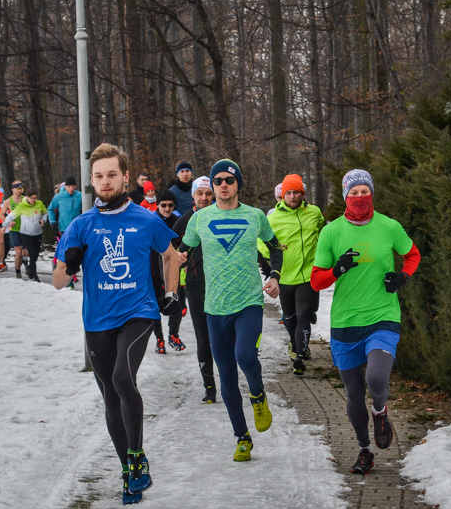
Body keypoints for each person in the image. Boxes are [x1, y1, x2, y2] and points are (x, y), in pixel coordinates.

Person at [53, 143, 180, 505]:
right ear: (91, 181)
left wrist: (170, 294)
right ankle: (128, 471)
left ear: (125, 177)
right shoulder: (81, 225)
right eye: (98, 176)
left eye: (112, 175)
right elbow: (59, 282)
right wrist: (70, 262)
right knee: (110, 394)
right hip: (97, 320)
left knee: (123, 379)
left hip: (138, 312)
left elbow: (171, 255)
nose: (105, 182)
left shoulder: (145, 218)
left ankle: (138, 458)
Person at [311, 169, 421, 475]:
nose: (360, 197)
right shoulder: (331, 232)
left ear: (372, 192)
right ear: (346, 196)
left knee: (375, 378)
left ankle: (381, 410)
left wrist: (403, 277)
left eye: (365, 191)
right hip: (346, 322)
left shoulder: (389, 226)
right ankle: (364, 449)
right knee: (354, 393)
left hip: (382, 317)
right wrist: (337, 269)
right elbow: (316, 281)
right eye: (354, 192)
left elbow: (413, 255)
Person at [178, 159, 283, 462]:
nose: (223, 184)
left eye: (229, 179)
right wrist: (178, 259)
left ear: (238, 184)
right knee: (225, 376)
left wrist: (274, 276)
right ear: (211, 186)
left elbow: (275, 247)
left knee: (245, 356)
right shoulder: (200, 220)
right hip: (215, 308)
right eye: (218, 180)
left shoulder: (255, 216)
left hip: (249, 302)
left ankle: (258, 394)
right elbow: (180, 250)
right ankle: (242, 437)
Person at [267, 174, 325, 375]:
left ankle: (300, 356)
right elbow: (260, 241)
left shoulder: (314, 213)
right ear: (282, 196)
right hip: (285, 275)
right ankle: (295, 342)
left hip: (308, 274)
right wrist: (272, 250)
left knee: (303, 315)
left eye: (296, 192)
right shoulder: (273, 217)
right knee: (290, 317)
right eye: (288, 193)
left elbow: (322, 233)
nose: (292, 197)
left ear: (303, 194)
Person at [173, 176, 218, 402]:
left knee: (223, 337)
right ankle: (209, 386)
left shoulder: (222, 218)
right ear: (193, 195)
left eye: (208, 193)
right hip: (196, 286)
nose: (204, 198)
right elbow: (170, 251)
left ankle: (229, 380)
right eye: (199, 193)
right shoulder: (185, 221)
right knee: (203, 338)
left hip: (222, 285)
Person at [149, 189, 185, 353]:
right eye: (163, 205)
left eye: (171, 205)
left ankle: (173, 334)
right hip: (154, 271)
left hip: (173, 271)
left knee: (176, 304)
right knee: (155, 306)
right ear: (158, 205)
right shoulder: (151, 221)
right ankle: (159, 339)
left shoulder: (178, 221)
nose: (167, 208)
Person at [2, 186, 47, 281]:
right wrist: (4, 225)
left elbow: (45, 213)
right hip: (25, 234)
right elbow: (10, 216)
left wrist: (43, 220)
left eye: (35, 198)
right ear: (27, 197)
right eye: (31, 198)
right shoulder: (21, 206)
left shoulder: (39, 204)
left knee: (36, 254)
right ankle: (34, 275)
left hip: (38, 233)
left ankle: (30, 268)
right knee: (32, 253)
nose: (34, 200)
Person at [0, 180, 26, 278]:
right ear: (12, 190)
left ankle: (26, 263)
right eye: (18, 188)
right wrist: (8, 222)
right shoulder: (8, 201)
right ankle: (18, 271)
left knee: (26, 252)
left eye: (21, 188)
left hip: (25, 229)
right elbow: (1, 214)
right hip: (14, 229)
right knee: (19, 251)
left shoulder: (25, 199)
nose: (20, 191)